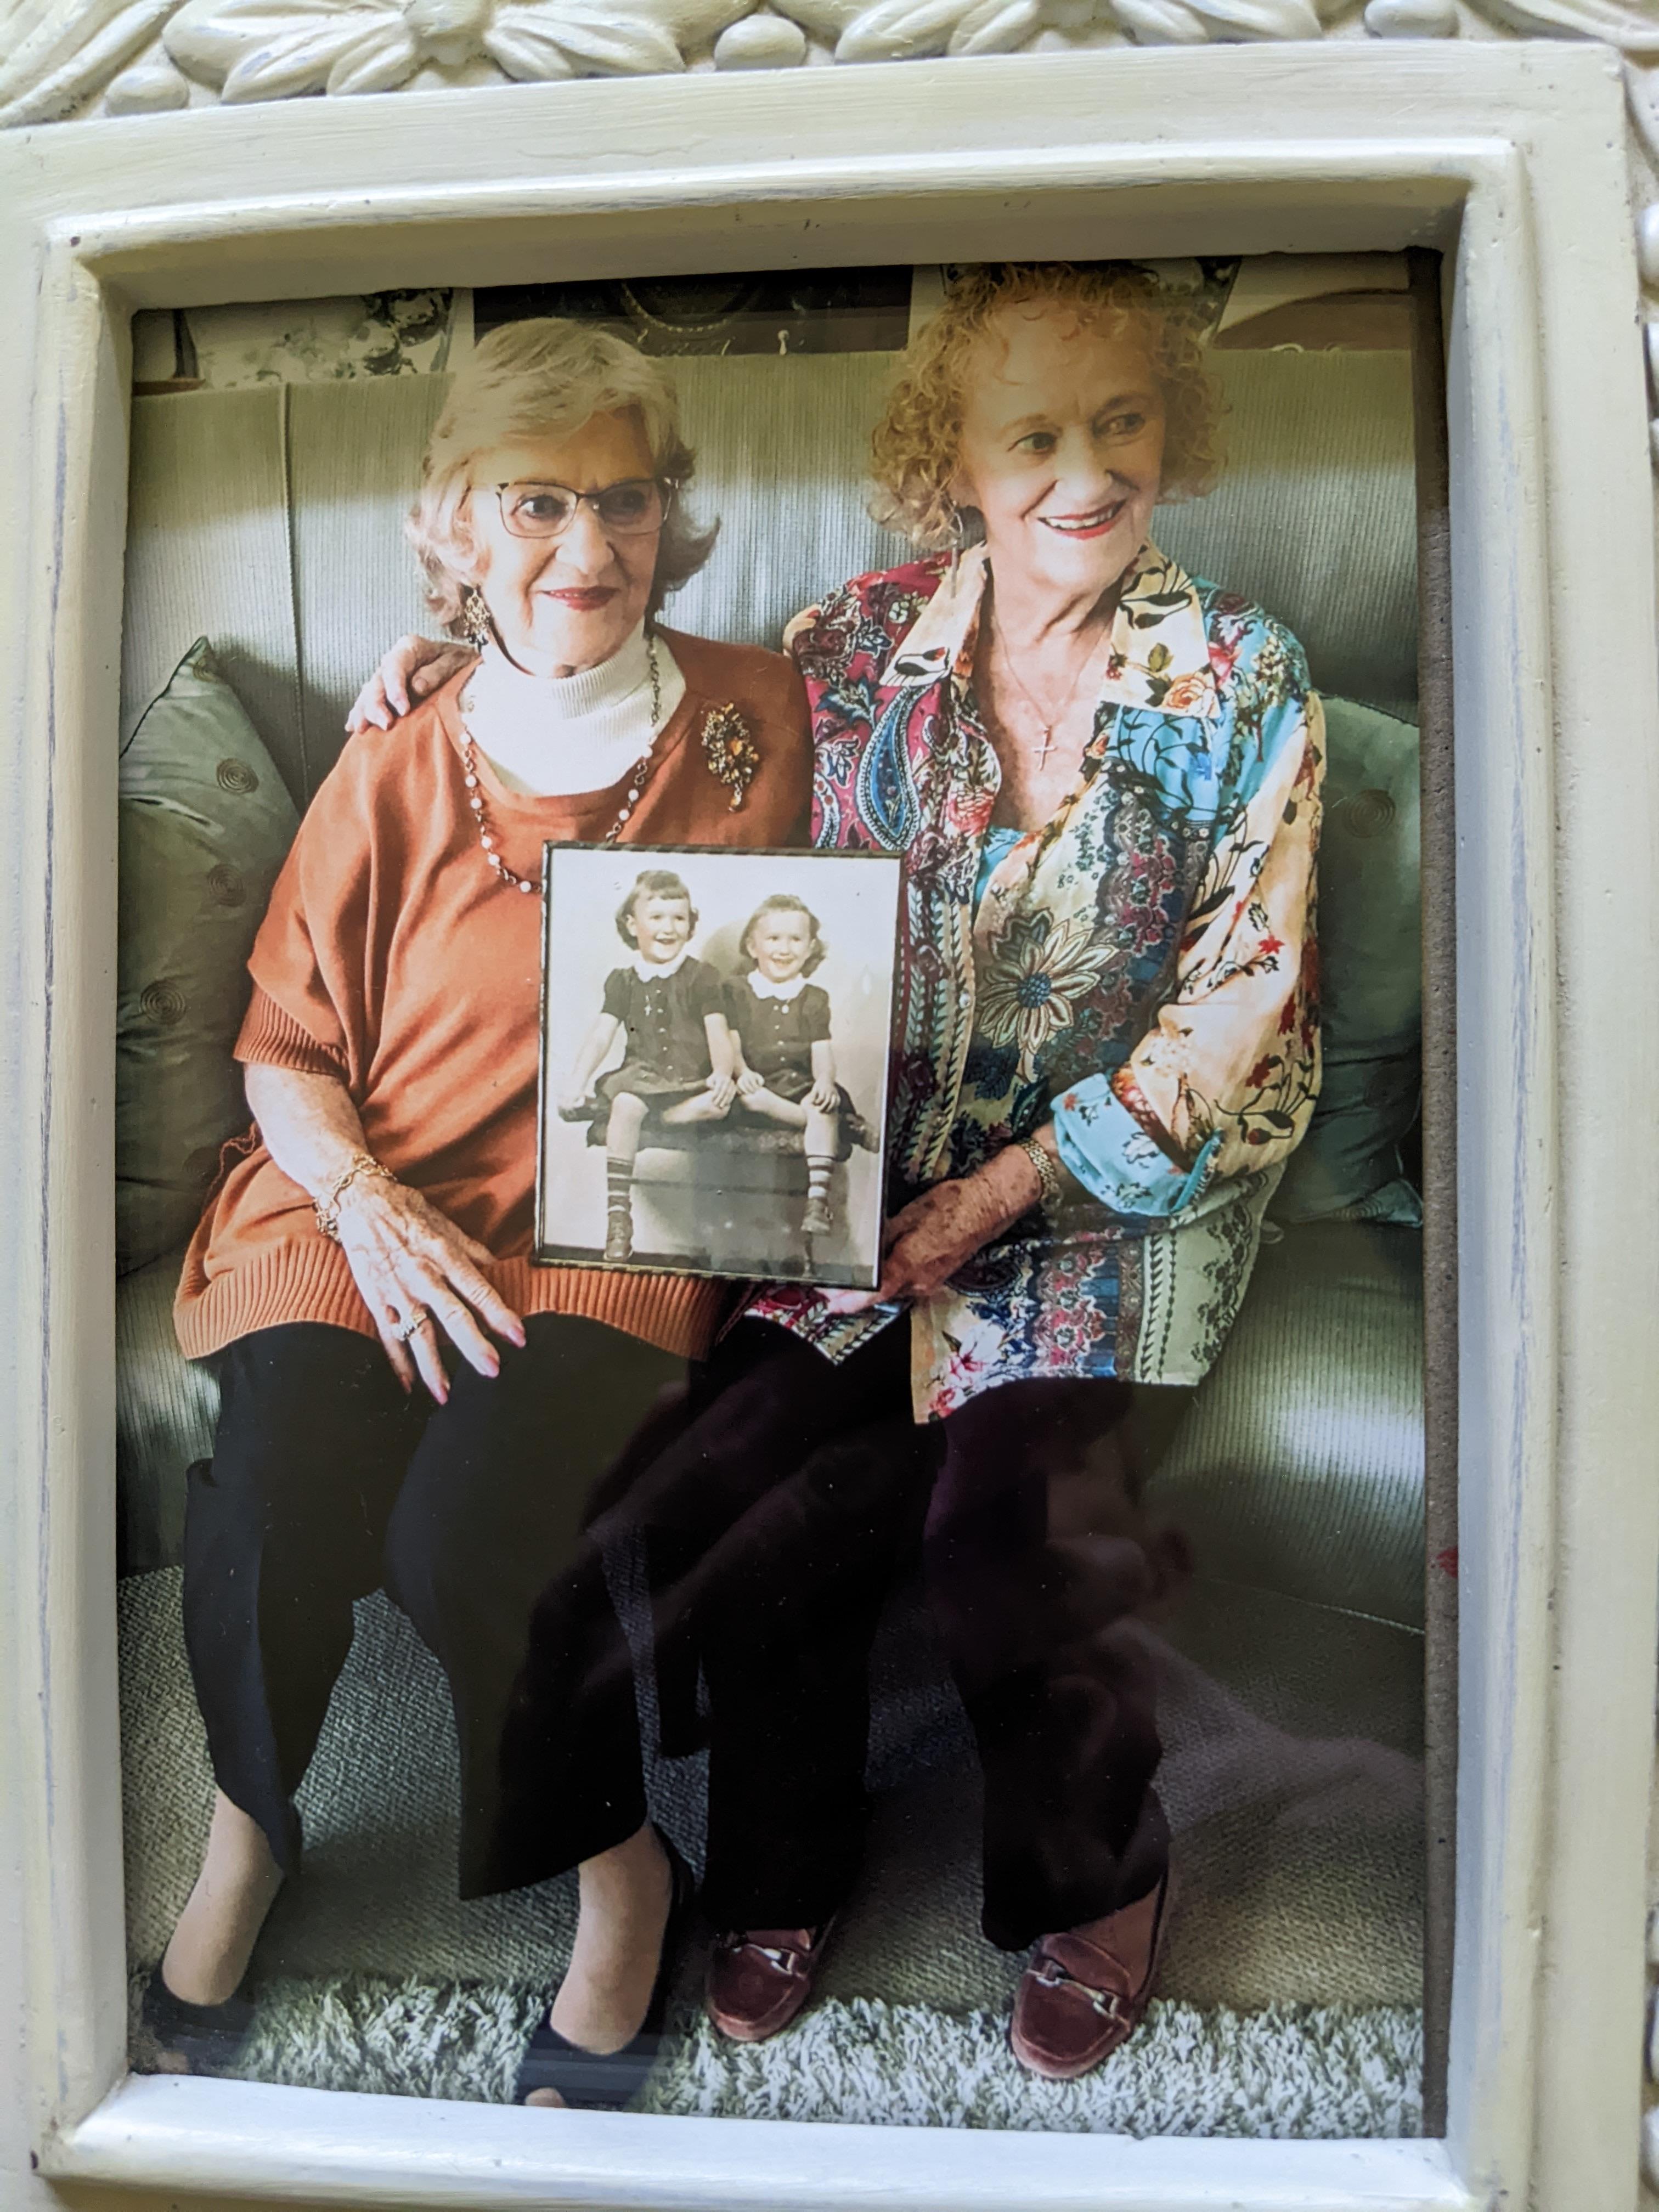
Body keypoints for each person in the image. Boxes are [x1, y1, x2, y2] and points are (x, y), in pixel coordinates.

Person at [364, 261, 1324, 2086]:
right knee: (724, 1507)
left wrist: (1006, 1189)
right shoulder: (836, 652)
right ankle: (785, 1858)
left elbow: (1244, 1012)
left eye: (1119, 422)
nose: (1082, 472)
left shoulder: (1240, 677)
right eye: (1030, 432)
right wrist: (465, 677)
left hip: (1094, 1211)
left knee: (990, 1533)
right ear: (950, 454)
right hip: (841, 1193)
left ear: (1169, 435)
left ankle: (1094, 1874)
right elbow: (642, 793)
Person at [146, 316, 811, 2111]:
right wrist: (358, 1204)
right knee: (273, 1492)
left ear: (670, 513)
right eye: (536, 503)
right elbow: (286, 1041)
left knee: (465, 1542)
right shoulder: (397, 752)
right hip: (363, 1198)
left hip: (619, 1218)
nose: (587, 549)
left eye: (624, 501)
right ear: (454, 520)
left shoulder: (760, 723)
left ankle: (620, 1872)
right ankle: (246, 1827)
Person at [562, 870, 737, 1261]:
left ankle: (646, 1118)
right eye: (656, 917)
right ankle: (618, 1214)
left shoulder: (702, 976)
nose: (668, 928)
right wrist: (576, 1080)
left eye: (679, 917)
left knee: (719, 1104)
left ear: (691, 923)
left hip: (688, 1080)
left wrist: (723, 1073)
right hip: (641, 1078)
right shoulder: (623, 981)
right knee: (627, 1102)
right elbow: (601, 1035)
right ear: (632, 923)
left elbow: (718, 1032)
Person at [725, 892, 868, 1240]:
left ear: (810, 947)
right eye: (773, 938)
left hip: (798, 1083)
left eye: (795, 939)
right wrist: (742, 1073)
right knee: (755, 1100)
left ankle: (817, 1203)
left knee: (820, 1104)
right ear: (751, 946)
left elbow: (821, 1048)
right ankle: (843, 1128)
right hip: (757, 1081)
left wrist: (824, 1081)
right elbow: (729, 1040)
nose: (784, 949)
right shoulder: (737, 991)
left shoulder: (814, 997)